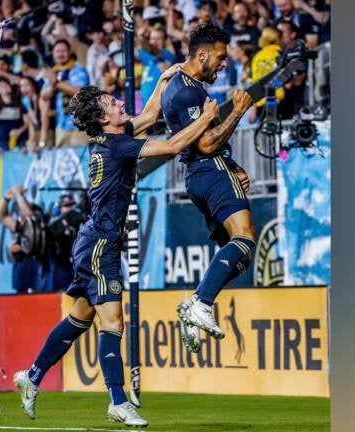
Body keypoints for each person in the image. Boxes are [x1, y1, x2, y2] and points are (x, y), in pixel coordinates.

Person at [13, 65, 219, 427]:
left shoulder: (109, 138)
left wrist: (162, 80)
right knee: (113, 322)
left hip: (93, 241)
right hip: (100, 245)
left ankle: (31, 377)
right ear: (103, 117)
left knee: (79, 319)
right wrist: (205, 118)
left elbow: (151, 114)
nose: (120, 102)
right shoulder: (118, 145)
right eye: (112, 102)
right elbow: (172, 145)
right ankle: (118, 401)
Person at [160, 23, 255, 352]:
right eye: (220, 57)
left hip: (202, 175)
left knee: (240, 255)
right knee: (245, 237)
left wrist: (234, 166)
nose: (224, 63)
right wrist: (238, 112)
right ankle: (201, 303)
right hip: (209, 168)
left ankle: (195, 305)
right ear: (201, 54)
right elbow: (207, 144)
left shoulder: (181, 87)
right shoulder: (187, 90)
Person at [0, 184, 45, 293]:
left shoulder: (38, 229)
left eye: (23, 213)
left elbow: (30, 216)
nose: (22, 216)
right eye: (21, 214)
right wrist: (6, 199)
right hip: (21, 280)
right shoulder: (19, 227)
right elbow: (2, 216)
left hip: (35, 279)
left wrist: (19, 194)